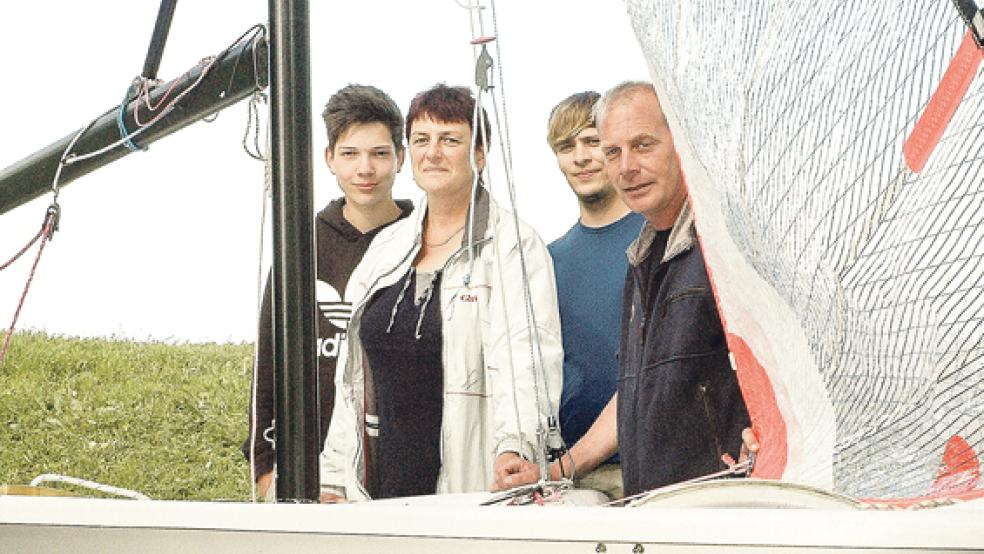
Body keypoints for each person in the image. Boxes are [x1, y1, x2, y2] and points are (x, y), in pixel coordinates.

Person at [495, 81, 758, 498]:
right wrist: (559, 468)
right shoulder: (641, 257)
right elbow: (635, 391)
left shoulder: (728, 244)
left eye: (643, 145)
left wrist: (771, 435)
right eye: (614, 151)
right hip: (651, 505)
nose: (625, 166)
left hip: (722, 506)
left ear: (682, 142)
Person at [320, 84, 563, 501]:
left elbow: (527, 359)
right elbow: (351, 380)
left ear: (480, 154)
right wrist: (334, 478)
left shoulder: (513, 245)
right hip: (380, 492)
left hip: (471, 487)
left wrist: (517, 446)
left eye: (450, 139)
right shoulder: (385, 250)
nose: (433, 152)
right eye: (421, 140)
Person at [242, 84, 414, 501]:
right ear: (329, 159)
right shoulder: (301, 247)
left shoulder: (422, 242)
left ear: (401, 158)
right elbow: (269, 365)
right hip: (312, 477)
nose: (365, 169)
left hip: (404, 476)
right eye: (350, 154)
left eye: (379, 153)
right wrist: (265, 470)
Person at [543, 91, 644, 500]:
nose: (581, 157)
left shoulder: (654, 240)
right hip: (575, 477)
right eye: (567, 147)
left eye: (591, 142)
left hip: (651, 468)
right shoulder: (548, 260)